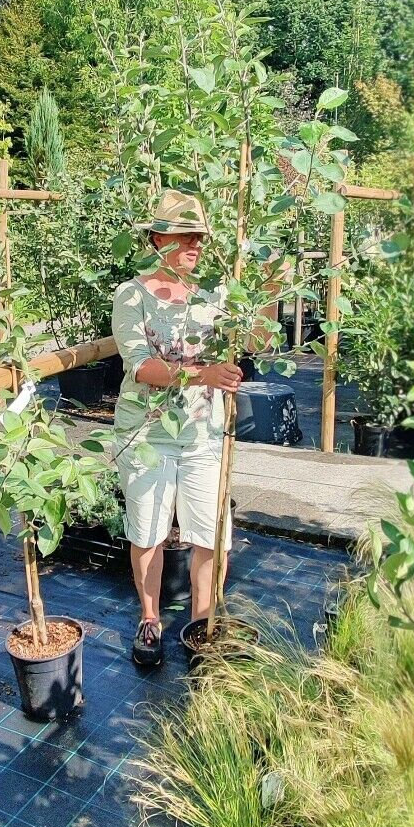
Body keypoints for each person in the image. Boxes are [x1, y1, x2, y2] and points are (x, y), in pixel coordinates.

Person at [111, 190, 278, 667]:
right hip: (146, 432)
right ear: (157, 238)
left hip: (205, 431)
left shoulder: (216, 295)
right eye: (184, 236)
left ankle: (201, 623)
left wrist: (267, 290)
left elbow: (260, 341)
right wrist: (201, 373)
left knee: (209, 532)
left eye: (200, 237)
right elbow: (140, 367)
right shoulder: (133, 294)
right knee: (148, 530)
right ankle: (149, 618)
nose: (194, 245)